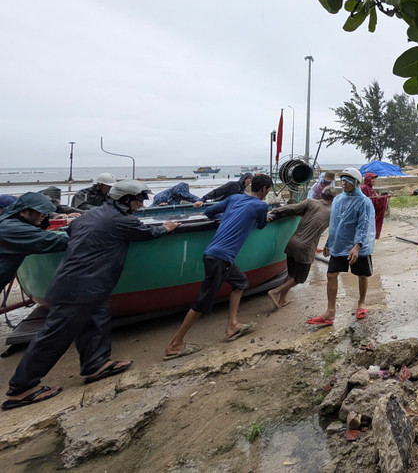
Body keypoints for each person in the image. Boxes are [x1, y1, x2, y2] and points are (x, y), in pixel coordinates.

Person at [2, 181, 178, 411]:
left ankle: (95, 365)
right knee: (54, 337)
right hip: (80, 286)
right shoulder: (121, 220)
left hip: (89, 284)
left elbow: (73, 232)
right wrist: (166, 227)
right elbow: (147, 232)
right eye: (139, 199)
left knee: (96, 322)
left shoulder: (91, 215)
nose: (142, 204)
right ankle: (20, 389)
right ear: (126, 200)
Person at [163, 175, 273, 360]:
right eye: (269, 189)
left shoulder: (235, 198)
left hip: (216, 255)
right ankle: (174, 345)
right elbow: (261, 225)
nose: (268, 192)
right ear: (263, 189)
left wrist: (228, 217)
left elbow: (209, 212)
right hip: (219, 259)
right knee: (201, 304)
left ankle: (232, 325)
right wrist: (264, 217)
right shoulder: (261, 206)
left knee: (240, 282)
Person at [306, 168, 375, 326]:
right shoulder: (338, 200)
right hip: (340, 244)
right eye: (342, 180)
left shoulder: (363, 202)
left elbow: (363, 225)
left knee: (362, 274)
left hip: (358, 246)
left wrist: (357, 246)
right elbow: (335, 224)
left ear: (356, 183)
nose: (344, 183)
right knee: (331, 274)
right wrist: (329, 242)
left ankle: (362, 302)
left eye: (348, 180)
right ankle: (330, 312)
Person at [265, 186, 338, 309]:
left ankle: (282, 300)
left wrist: (275, 211)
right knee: (300, 278)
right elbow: (335, 231)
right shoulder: (332, 213)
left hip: (292, 243)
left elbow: (292, 208)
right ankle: (275, 292)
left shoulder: (310, 202)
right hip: (306, 248)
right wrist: (328, 245)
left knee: (291, 274)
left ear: (322, 195)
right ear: (333, 198)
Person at [0, 193, 69, 291]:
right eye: (41, 212)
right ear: (25, 210)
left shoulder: (7, 221)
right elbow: (56, 241)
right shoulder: (16, 229)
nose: (44, 215)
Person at [360, 172, 390, 239]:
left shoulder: (371, 189)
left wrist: (385, 197)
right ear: (368, 179)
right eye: (372, 179)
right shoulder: (363, 188)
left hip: (370, 213)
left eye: (374, 179)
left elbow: (377, 199)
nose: (373, 180)